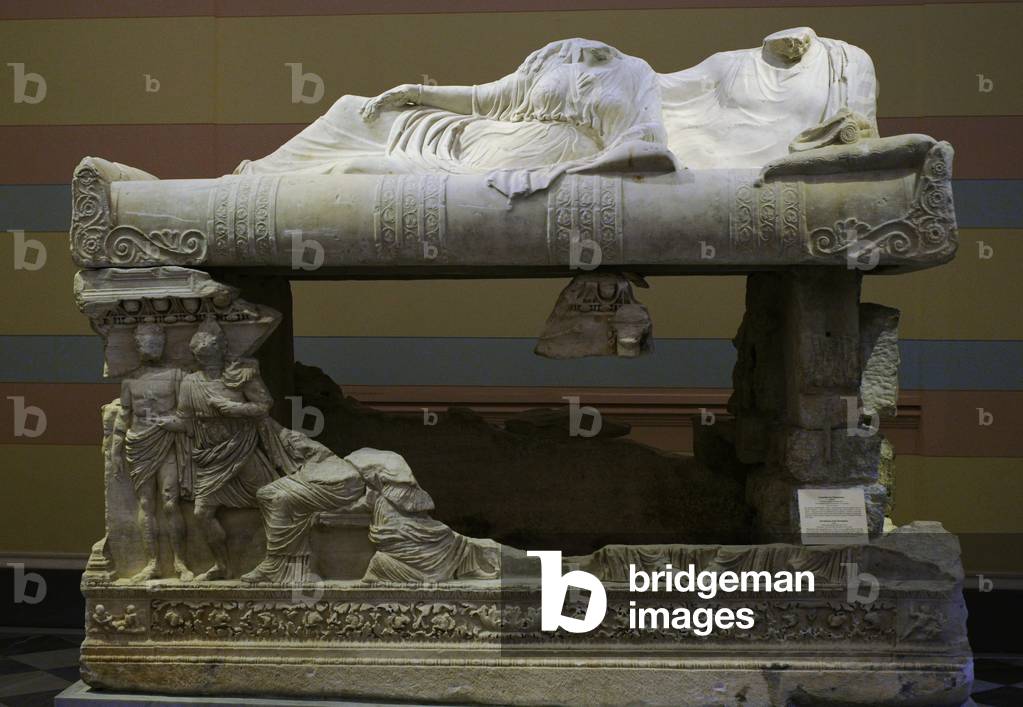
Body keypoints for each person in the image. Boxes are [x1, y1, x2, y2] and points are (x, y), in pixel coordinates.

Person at [235, 38, 676, 198]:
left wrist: (583, 167)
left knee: (358, 169)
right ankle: (255, 177)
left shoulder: (635, 71)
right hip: (495, 134)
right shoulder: (559, 55)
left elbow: (649, 145)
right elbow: (485, 99)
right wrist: (416, 92)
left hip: (543, 152)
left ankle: (270, 187)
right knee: (354, 109)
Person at [173, 319, 296, 581]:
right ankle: (222, 565)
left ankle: (283, 563)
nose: (208, 360)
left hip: (242, 449)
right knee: (202, 513)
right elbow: (184, 420)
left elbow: (264, 405)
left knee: (272, 501)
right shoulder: (190, 383)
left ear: (222, 350)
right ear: (195, 355)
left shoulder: (241, 375)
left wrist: (235, 409)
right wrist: (151, 425)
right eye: (202, 355)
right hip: (209, 456)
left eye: (212, 353)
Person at [658, 27, 878, 170]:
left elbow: (862, 136)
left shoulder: (848, 61)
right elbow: (656, 86)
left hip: (795, 176)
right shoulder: (727, 65)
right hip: (710, 164)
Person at [344, 448, 501, 583]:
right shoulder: (383, 494)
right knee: (450, 535)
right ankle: (460, 568)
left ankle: (467, 569)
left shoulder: (390, 492)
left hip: (408, 529)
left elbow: (417, 510)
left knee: (453, 535)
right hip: (398, 534)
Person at [111, 322, 191, 582]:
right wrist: (114, 448)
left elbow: (187, 413)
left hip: (166, 440)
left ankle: (180, 562)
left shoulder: (176, 375)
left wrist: (176, 423)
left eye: (158, 342)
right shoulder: (131, 380)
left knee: (170, 502)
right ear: (138, 345)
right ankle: (153, 563)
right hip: (139, 444)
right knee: (146, 503)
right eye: (148, 342)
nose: (153, 346)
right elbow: (124, 414)